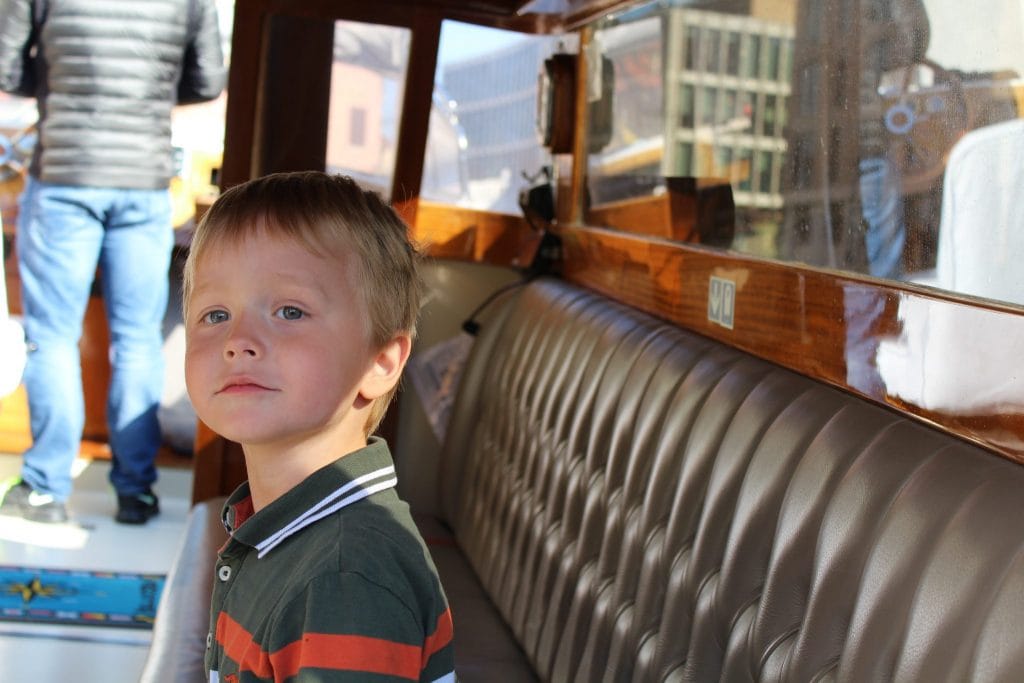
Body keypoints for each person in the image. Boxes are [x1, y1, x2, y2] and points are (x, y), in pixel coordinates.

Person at [183, 171, 455, 682]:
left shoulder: (344, 578)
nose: (237, 340)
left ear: (379, 362)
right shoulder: (282, 526)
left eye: (289, 311)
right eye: (215, 314)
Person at [0, 0, 226, 524]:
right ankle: (136, 491)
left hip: (63, 172)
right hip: (142, 181)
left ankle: (45, 488)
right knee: (138, 338)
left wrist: (67, 88)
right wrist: (147, 96)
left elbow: (6, 66)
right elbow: (209, 80)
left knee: (52, 334)